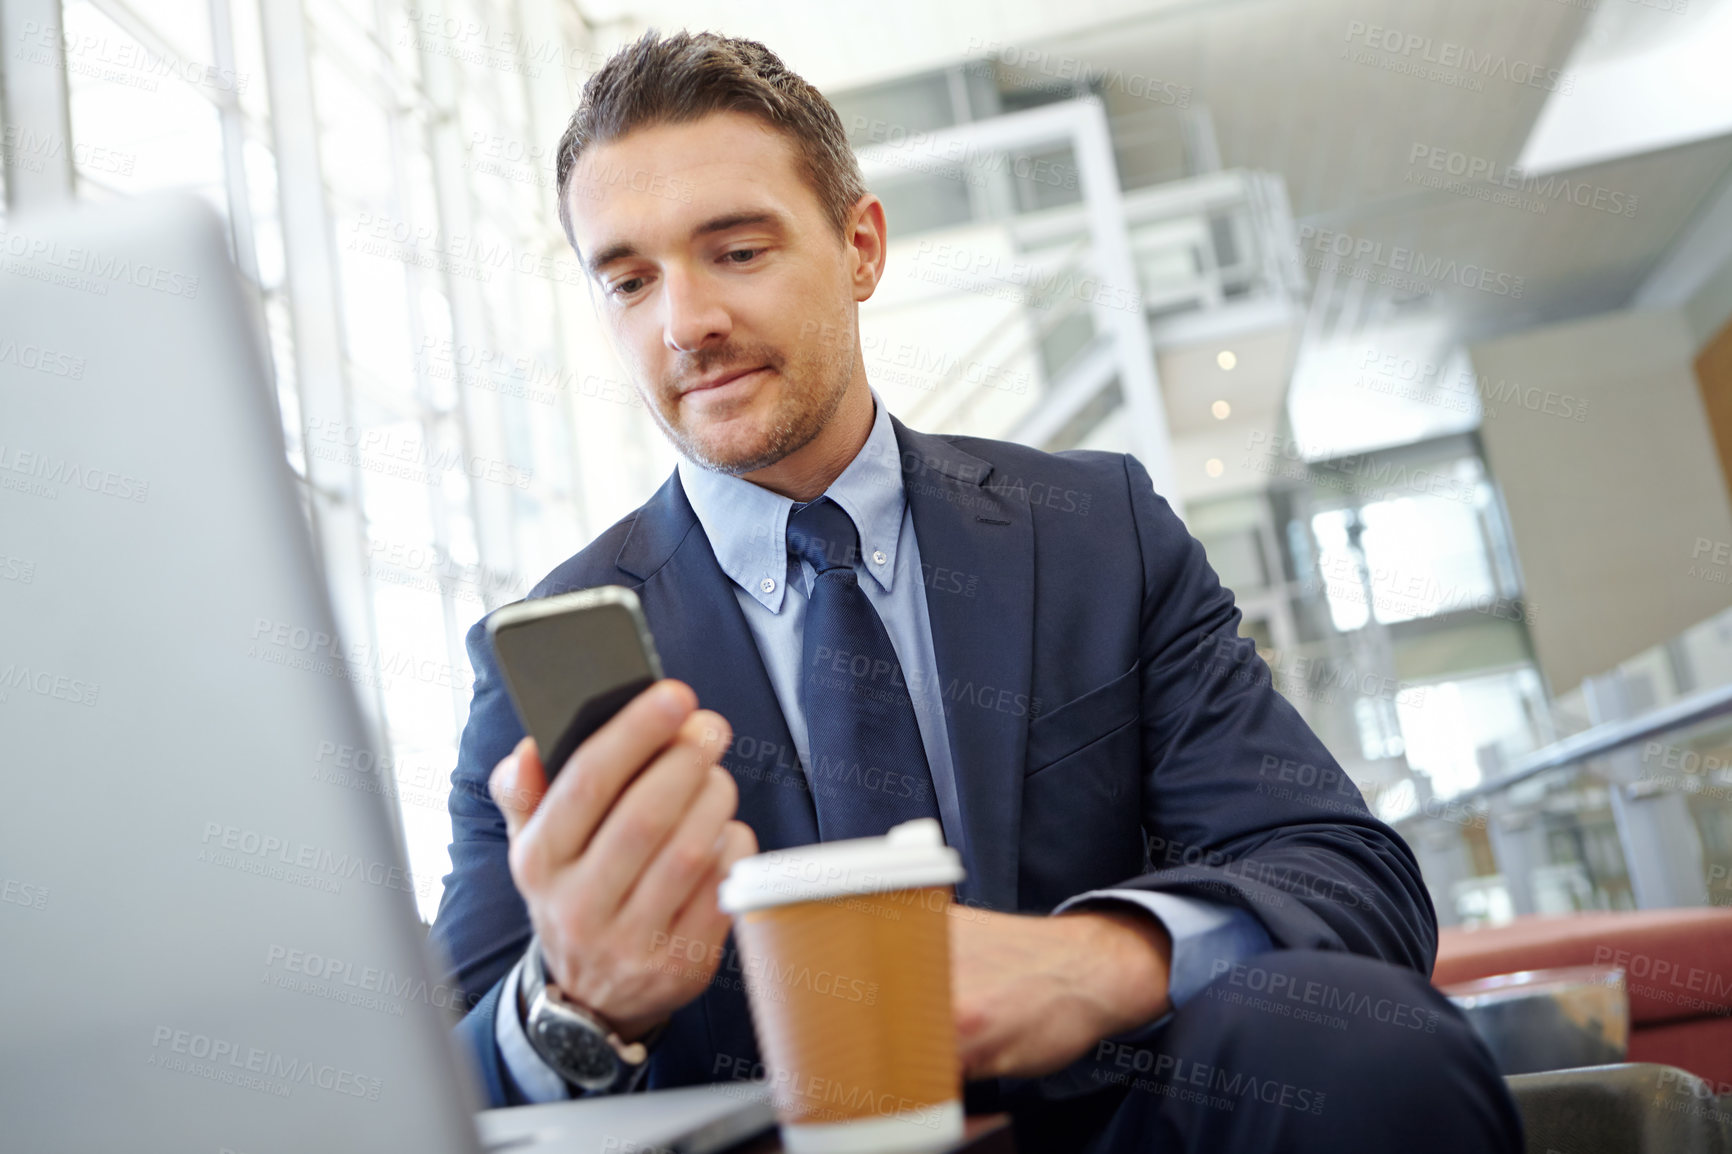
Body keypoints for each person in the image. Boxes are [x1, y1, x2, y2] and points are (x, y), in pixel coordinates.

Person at [429, 29, 1523, 1154]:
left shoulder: (1097, 531)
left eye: (738, 250)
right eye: (628, 279)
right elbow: (429, 1077)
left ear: (860, 247)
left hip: (1105, 1129)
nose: (684, 322)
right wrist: (579, 1006)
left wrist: (1095, 962)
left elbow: (1344, 870)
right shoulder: (544, 657)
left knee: (1358, 1049)